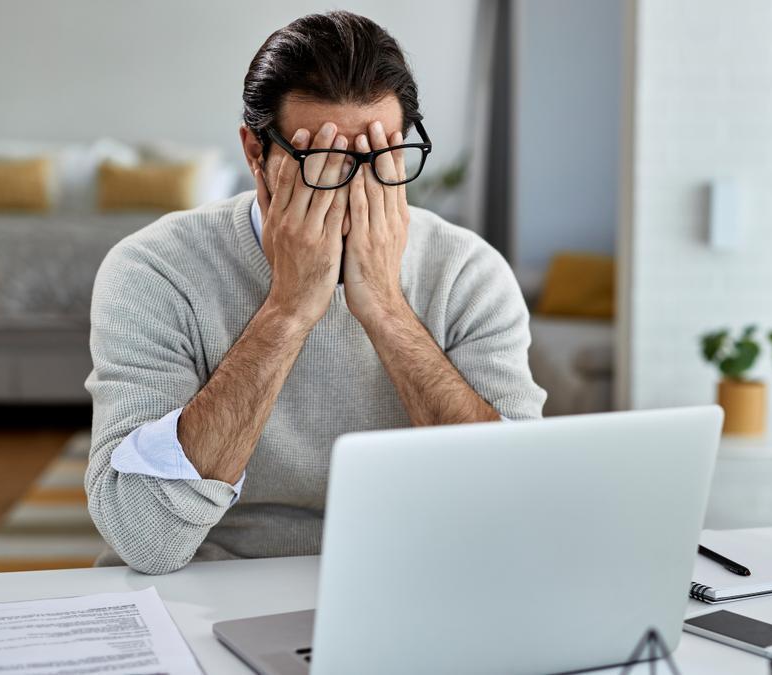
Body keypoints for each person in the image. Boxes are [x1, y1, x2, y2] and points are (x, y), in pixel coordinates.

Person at [84, 11, 545, 574]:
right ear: (256, 154)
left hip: (411, 576)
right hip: (208, 580)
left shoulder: (468, 272)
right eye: (322, 163)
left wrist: (386, 308)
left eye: (379, 157)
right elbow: (145, 537)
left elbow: (517, 511)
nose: (353, 189)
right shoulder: (154, 270)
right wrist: (289, 309)